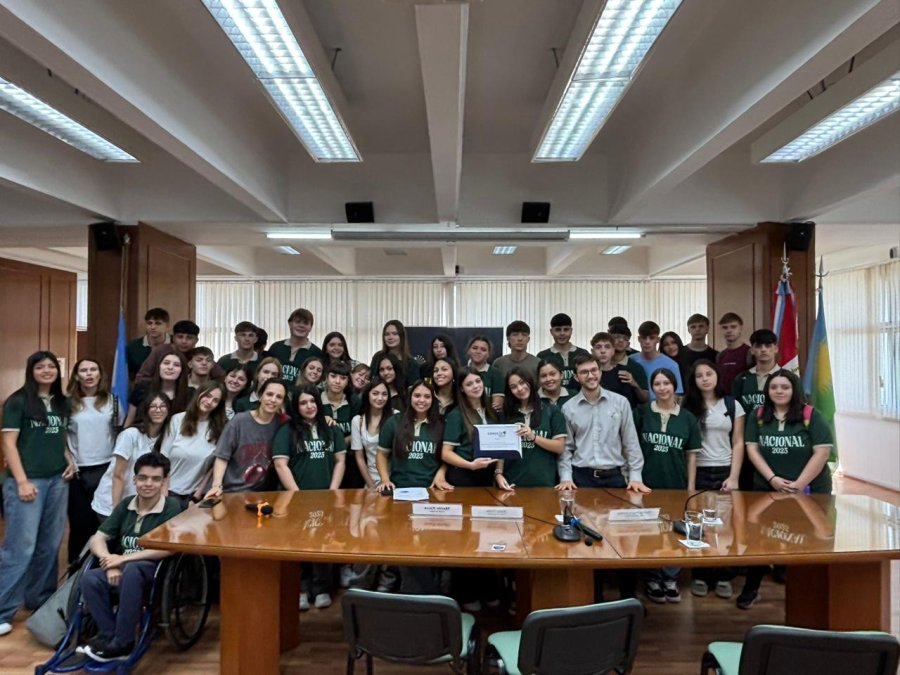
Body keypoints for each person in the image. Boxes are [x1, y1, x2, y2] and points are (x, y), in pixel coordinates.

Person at [738, 368, 834, 609]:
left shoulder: (811, 415)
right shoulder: (758, 415)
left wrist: (799, 484)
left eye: (785, 387)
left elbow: (822, 452)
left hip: (809, 489)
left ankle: (807, 600)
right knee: (761, 538)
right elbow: (752, 449)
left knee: (806, 539)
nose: (779, 391)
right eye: (773, 387)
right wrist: (772, 479)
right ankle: (751, 589)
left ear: (794, 390)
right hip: (768, 487)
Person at [0, 351, 74, 638]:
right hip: (28, 481)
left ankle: (40, 601)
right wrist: (21, 481)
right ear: (31, 371)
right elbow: (9, 444)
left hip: (58, 480)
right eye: (40, 367)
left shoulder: (61, 402)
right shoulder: (18, 401)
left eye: (51, 366)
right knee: (21, 547)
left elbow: (59, 438)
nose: (46, 371)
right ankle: (3, 610)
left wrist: (68, 459)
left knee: (50, 544)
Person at [80, 453, 181, 662]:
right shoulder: (126, 504)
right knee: (90, 578)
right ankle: (108, 635)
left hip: (153, 572)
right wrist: (109, 561)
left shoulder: (171, 506)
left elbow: (169, 549)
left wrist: (123, 560)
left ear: (164, 482)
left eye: (155, 479)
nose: (148, 484)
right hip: (121, 568)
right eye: (143, 478)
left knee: (133, 570)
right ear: (134, 480)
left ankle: (124, 642)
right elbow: (97, 538)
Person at [273, 384, 346, 611]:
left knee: (323, 543)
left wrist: (332, 491)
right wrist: (296, 494)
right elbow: (281, 464)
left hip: (325, 497)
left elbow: (340, 461)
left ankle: (322, 588)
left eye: (313, 401)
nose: (309, 406)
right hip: (295, 499)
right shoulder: (286, 431)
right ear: (296, 406)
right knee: (298, 544)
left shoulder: (331, 429)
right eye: (303, 403)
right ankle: (302, 589)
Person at [633, 368, 702, 604]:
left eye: (666, 383)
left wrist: (690, 487)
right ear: (652, 388)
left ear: (675, 386)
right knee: (648, 532)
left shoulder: (688, 418)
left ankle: (671, 578)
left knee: (674, 532)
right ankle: (652, 578)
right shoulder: (642, 412)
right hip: (646, 484)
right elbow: (630, 447)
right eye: (657, 384)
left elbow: (691, 456)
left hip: (676, 484)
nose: (662, 388)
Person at [682, 359, 745, 600]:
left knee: (724, 527)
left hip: (724, 471)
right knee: (698, 526)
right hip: (697, 471)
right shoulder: (687, 406)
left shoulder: (732, 404)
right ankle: (700, 575)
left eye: (709, 374)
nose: (705, 379)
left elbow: (738, 442)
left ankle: (723, 576)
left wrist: (734, 476)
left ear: (717, 375)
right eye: (699, 375)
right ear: (694, 380)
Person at [376, 380, 446, 594]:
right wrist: (384, 479)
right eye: (417, 396)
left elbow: (447, 456)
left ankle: (425, 592)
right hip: (400, 492)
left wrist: (441, 473)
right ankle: (407, 590)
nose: (421, 400)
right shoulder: (394, 422)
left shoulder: (440, 424)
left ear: (433, 399)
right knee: (401, 541)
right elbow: (382, 454)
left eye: (426, 396)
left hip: (430, 493)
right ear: (410, 398)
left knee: (428, 543)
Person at [556, 354, 647, 493]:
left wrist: (635, 477)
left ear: (600, 372)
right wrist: (566, 477)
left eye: (594, 370)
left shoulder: (620, 403)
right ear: (576, 377)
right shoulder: (568, 408)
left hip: (615, 476)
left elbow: (630, 442)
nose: (590, 376)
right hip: (581, 477)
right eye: (584, 372)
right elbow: (566, 448)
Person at [66, 358, 118, 564]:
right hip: (78, 471)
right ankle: (74, 573)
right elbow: (60, 436)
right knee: (80, 526)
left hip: (106, 468)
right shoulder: (67, 403)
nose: (89, 374)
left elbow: (119, 431)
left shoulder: (113, 401)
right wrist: (68, 460)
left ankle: (100, 570)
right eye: (84, 370)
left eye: (93, 369)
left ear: (100, 374)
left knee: (103, 526)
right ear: (76, 376)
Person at [204, 378, 288, 498]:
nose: (273, 400)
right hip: (232, 491)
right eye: (269, 394)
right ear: (260, 396)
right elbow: (222, 457)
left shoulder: (282, 424)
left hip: (264, 494)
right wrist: (217, 485)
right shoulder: (239, 421)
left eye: (279, 397)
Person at [92, 395, 171, 520]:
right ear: (146, 410)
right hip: (113, 502)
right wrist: (117, 513)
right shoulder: (130, 435)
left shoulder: (166, 437)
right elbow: (118, 475)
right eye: (153, 406)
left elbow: (164, 476)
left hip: (139, 504)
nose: (158, 410)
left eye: (162, 406)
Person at [494, 368, 566, 489]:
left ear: (530, 381)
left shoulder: (551, 411)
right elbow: (501, 448)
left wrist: (533, 437)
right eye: (513, 387)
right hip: (512, 483)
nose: (520, 389)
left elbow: (559, 447)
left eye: (522, 382)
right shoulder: (506, 414)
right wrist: (498, 473)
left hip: (544, 483)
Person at [158, 382, 227, 507]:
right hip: (167, 492)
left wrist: (196, 497)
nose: (209, 402)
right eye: (207, 396)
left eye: (215, 400)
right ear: (199, 394)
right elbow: (163, 458)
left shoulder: (219, 429)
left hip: (195, 496)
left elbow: (212, 468)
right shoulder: (177, 420)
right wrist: (164, 492)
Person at [732, 329, 780, 490]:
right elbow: (735, 412)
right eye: (758, 346)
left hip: (775, 443)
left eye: (768, 345)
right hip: (747, 441)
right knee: (745, 488)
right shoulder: (741, 379)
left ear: (776, 348)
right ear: (752, 350)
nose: (763, 350)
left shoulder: (786, 378)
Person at [441, 367, 499, 488]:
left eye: (478, 381)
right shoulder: (456, 415)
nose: (476, 386)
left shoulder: (492, 412)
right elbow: (446, 453)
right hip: (464, 476)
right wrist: (471, 465)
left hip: (488, 476)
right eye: (469, 384)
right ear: (462, 389)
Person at [136, 320, 225, 385]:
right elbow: (142, 377)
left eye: (189, 338)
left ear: (196, 340)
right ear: (173, 338)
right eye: (180, 337)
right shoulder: (160, 351)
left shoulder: (198, 355)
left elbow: (221, 377)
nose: (184, 341)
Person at [320, 361, 363, 489]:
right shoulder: (316, 399)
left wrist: (340, 444)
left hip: (349, 458)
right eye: (333, 376)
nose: (337, 381)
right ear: (326, 377)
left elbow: (359, 430)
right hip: (322, 458)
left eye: (343, 378)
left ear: (348, 381)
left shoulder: (353, 400)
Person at [124, 351, 191, 427]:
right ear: (159, 366)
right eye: (166, 363)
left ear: (182, 370)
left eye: (176, 365)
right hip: (142, 433)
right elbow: (129, 419)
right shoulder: (142, 388)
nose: (170, 367)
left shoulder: (190, 394)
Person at [490, 321, 541, 411]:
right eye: (515, 335)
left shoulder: (537, 363)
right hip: (505, 410)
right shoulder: (499, 363)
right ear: (508, 338)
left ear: (528, 339)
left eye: (524, 335)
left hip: (532, 409)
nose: (520, 339)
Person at [352, 380, 393, 490]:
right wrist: (371, 486)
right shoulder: (358, 421)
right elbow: (359, 457)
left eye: (384, 394)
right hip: (371, 479)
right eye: (375, 393)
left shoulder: (395, 417)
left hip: (393, 479)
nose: (380, 398)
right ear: (367, 395)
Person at [536, 313, 590, 392]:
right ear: (551, 332)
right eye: (558, 330)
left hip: (580, 398)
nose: (562, 333)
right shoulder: (542, 356)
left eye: (566, 329)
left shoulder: (583, 353)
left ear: (571, 331)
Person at [268, 308, 324, 383]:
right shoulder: (275, 348)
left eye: (305, 323)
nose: (301, 325)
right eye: (297, 322)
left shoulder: (317, 353)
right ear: (290, 324)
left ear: (310, 327)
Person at [591, 332, 646, 408]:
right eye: (598, 347)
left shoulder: (624, 374)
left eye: (607, 347)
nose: (603, 351)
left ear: (613, 351)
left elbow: (633, 403)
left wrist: (634, 384)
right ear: (592, 351)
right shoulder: (587, 374)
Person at [633, 321, 684, 400]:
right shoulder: (631, 360)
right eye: (644, 338)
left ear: (658, 340)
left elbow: (676, 394)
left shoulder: (671, 365)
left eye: (652, 338)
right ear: (639, 339)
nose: (647, 342)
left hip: (662, 407)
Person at [125, 307, 170, 379]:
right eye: (149, 323)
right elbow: (128, 374)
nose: (153, 327)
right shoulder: (133, 347)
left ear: (167, 326)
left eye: (158, 323)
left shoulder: (175, 344)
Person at [608, 324, 650, 396]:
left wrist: (634, 384)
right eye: (617, 337)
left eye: (625, 338)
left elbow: (645, 398)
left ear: (628, 344)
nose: (621, 340)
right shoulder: (600, 364)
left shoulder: (636, 367)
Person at [716, 312, 753, 392]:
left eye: (733, 327)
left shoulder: (750, 353)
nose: (729, 331)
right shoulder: (720, 356)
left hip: (743, 397)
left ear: (740, 328)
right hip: (724, 398)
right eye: (725, 327)